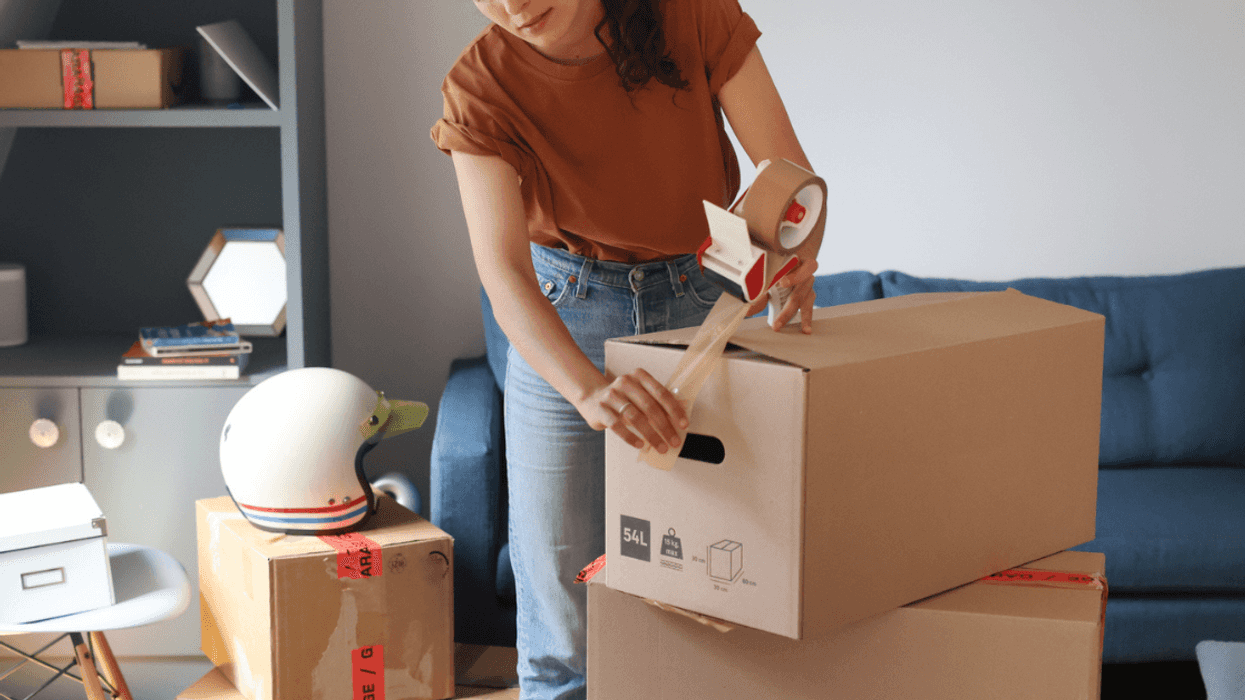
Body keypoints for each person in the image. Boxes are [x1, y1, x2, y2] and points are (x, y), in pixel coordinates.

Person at [431, 1, 819, 697]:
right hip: (565, 312)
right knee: (559, 594)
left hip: (704, 295)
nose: (512, 4)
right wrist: (586, 390)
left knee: (727, 566)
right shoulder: (478, 87)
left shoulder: (691, 14)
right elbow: (504, 273)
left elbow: (782, 172)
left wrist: (794, 252)